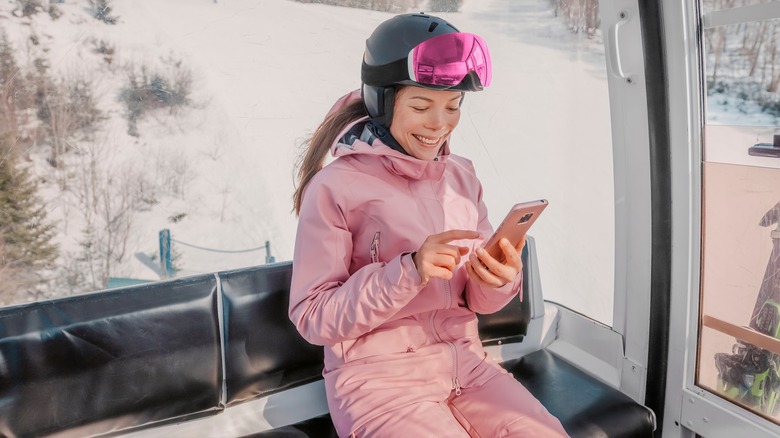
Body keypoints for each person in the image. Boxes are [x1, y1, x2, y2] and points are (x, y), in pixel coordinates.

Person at [290, 12, 569, 438]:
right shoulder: (335, 187)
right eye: (421, 106)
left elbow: (478, 302)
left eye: (453, 106)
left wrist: (498, 280)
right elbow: (313, 316)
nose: (440, 125)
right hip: (379, 385)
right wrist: (409, 270)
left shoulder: (461, 177)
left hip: (468, 367)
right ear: (382, 101)